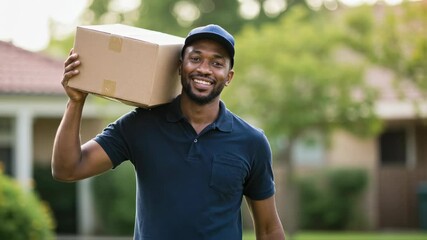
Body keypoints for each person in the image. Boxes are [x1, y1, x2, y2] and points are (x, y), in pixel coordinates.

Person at [52, 24, 285, 240]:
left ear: (229, 77)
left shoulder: (251, 142)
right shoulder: (140, 125)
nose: (204, 69)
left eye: (217, 63)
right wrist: (76, 102)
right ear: (180, 65)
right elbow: (68, 168)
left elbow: (268, 229)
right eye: (195, 58)